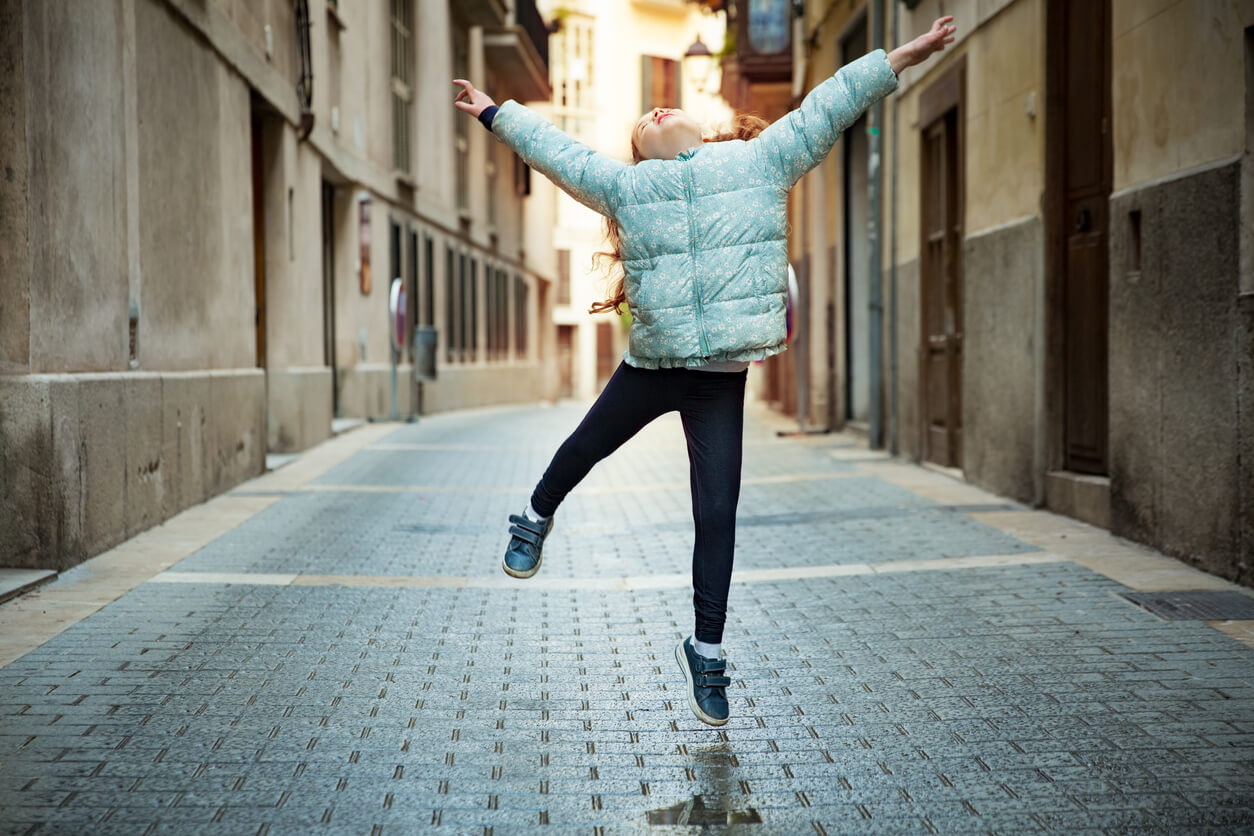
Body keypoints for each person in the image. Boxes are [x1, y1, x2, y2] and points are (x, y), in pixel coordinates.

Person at [453, 16, 957, 727]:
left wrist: (903, 54)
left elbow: (832, 102)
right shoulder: (627, 188)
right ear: (639, 150)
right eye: (643, 120)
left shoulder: (762, 162)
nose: (656, 110)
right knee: (584, 447)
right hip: (654, 364)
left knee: (716, 514)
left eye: (667, 107)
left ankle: (708, 654)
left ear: (701, 126)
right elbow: (559, 154)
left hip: (719, 378)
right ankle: (533, 519)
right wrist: (497, 114)